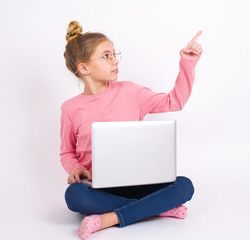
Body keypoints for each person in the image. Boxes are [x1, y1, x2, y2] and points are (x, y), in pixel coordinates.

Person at [60, 20, 203, 240]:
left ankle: (108, 219)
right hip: (99, 187)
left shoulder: (131, 92)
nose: (115, 60)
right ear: (84, 67)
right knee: (74, 196)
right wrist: (76, 168)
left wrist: (187, 63)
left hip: (140, 181)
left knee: (185, 186)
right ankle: (157, 208)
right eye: (106, 56)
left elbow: (175, 102)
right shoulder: (70, 108)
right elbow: (67, 152)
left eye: (114, 53)